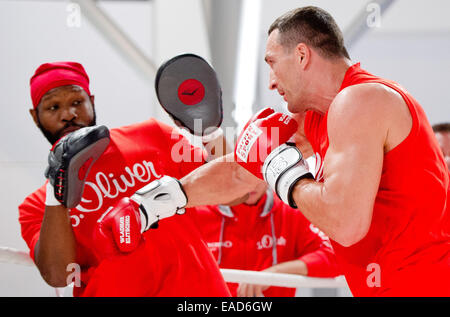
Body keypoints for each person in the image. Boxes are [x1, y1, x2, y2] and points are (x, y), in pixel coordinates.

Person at [132, 7, 449, 296]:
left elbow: (346, 225)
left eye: (271, 63)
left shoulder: (361, 101)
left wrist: (286, 175)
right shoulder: (317, 117)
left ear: (301, 56)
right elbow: (243, 172)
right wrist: (160, 199)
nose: (270, 82)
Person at [18, 61, 231, 297]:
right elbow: (58, 275)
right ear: (35, 117)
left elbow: (235, 191)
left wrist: (210, 132)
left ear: (92, 101)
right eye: (53, 107)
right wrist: (57, 186)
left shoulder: (152, 135)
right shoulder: (36, 206)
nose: (68, 114)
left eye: (77, 102)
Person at [192, 180, 340, 297]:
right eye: (241, 174)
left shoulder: (290, 212)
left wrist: (273, 274)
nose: (250, 183)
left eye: (255, 172)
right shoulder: (198, 214)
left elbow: (335, 258)